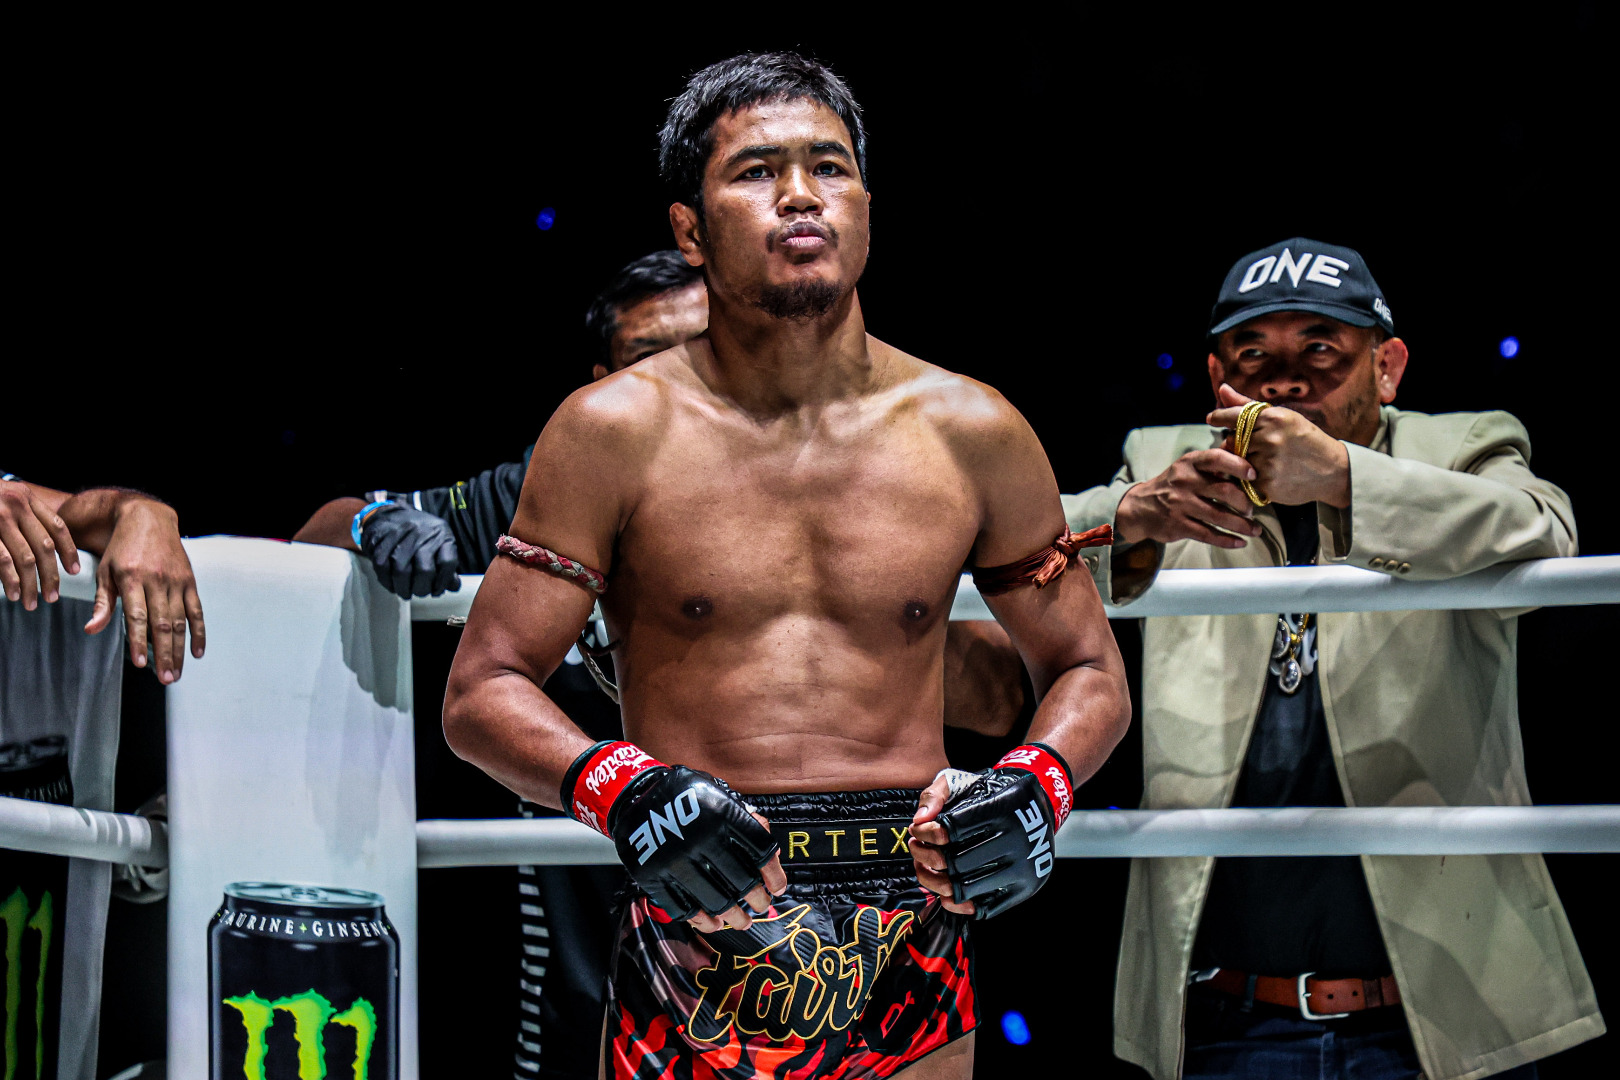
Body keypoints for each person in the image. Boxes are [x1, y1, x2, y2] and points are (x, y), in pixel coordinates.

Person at [441, 52, 1130, 1080]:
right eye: (758, 170)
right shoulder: (610, 432)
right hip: (695, 922)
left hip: (914, 934)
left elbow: (1089, 669)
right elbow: (481, 690)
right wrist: (622, 790)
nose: (801, 194)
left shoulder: (973, 430)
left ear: (866, 207)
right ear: (690, 230)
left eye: (829, 166)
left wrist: (1037, 784)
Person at [1063, 238, 1603, 1079]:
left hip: (1449, 1017)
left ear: (1387, 368)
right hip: (1226, 1014)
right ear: (1218, 378)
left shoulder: (1460, 443)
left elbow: (1547, 534)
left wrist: (1347, 476)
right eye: (1254, 355)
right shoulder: (1165, 460)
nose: (1285, 380)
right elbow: (1027, 554)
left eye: (1321, 348)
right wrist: (1133, 514)